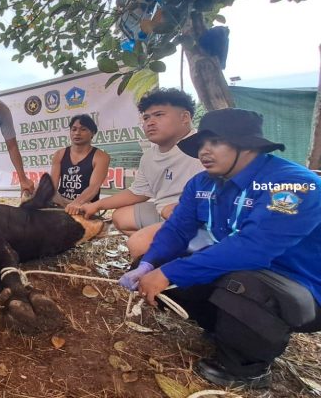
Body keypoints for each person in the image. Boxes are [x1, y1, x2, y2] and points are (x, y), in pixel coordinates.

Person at [119, 108, 321, 389]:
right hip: (243, 272)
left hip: (302, 287)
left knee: (240, 283)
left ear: (247, 146)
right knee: (163, 268)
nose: (204, 151)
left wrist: (169, 272)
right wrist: (149, 264)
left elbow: (253, 249)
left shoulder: (293, 185)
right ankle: (224, 330)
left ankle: (249, 369)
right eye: (201, 144)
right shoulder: (201, 183)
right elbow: (177, 230)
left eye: (215, 142)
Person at [81, 88, 203, 258]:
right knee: (120, 217)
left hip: (198, 219)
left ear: (185, 117)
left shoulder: (206, 148)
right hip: (163, 213)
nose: (150, 122)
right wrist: (97, 205)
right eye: (146, 117)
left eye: (159, 115)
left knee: (137, 244)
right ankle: (168, 249)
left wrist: (185, 209)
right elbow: (137, 192)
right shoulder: (149, 156)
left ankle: (174, 255)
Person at [50, 114, 110, 214]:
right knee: (38, 189)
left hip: (86, 205)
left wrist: (77, 203)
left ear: (93, 133)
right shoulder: (59, 154)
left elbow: (93, 187)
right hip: (61, 203)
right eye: (73, 129)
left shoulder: (101, 157)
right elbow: (52, 185)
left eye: (83, 129)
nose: (77, 133)